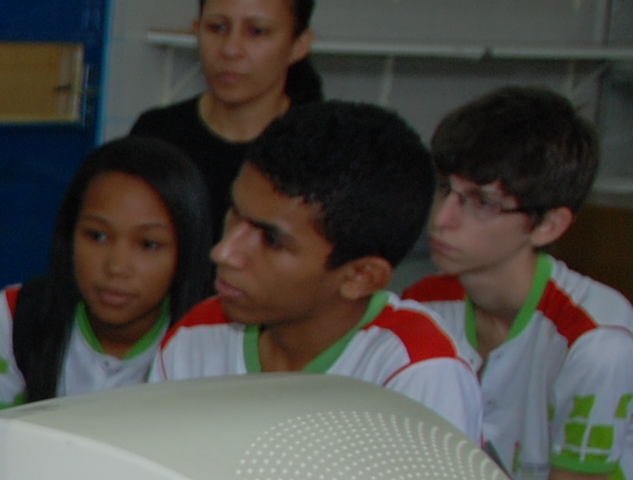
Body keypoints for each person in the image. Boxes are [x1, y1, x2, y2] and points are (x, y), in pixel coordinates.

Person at [401, 87, 633, 480]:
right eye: (445, 187)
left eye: (482, 202)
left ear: (548, 226)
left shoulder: (597, 346)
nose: (443, 219)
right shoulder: (423, 304)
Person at [152, 101, 480, 440]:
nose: (224, 252)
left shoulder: (417, 374)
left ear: (360, 277)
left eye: (270, 239)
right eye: (235, 211)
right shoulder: (196, 338)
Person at [0, 137, 212, 412]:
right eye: (97, 235)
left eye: (148, 244)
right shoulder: (14, 317)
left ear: (186, 250)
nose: (117, 267)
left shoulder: (212, 339)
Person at [128, 0, 324, 230]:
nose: (231, 49)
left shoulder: (319, 151)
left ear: (299, 45)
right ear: (196, 29)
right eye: (217, 28)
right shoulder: (157, 134)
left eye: (257, 31)